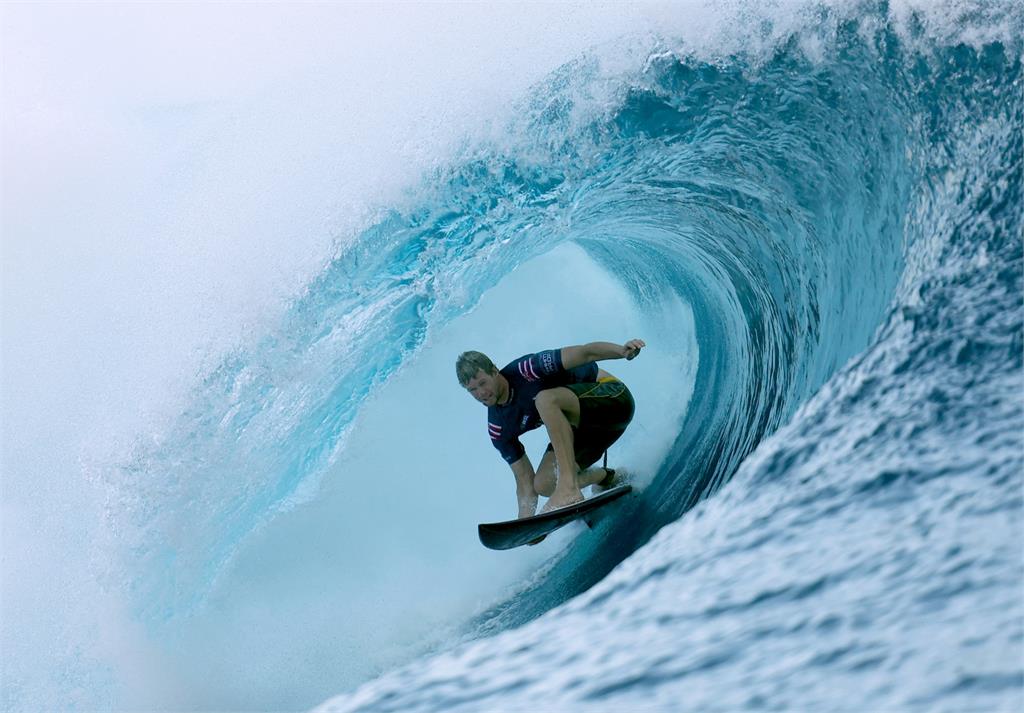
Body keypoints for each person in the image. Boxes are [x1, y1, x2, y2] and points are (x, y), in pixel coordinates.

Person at [457, 340, 644, 518]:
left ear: (495, 371)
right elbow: (525, 483)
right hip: (592, 434)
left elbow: (585, 353)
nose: (480, 393)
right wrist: (526, 526)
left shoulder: (527, 370)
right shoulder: (498, 427)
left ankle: (568, 487)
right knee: (544, 484)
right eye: (472, 390)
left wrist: (621, 351)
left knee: (545, 400)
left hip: (615, 401)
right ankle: (606, 477)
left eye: (482, 383)